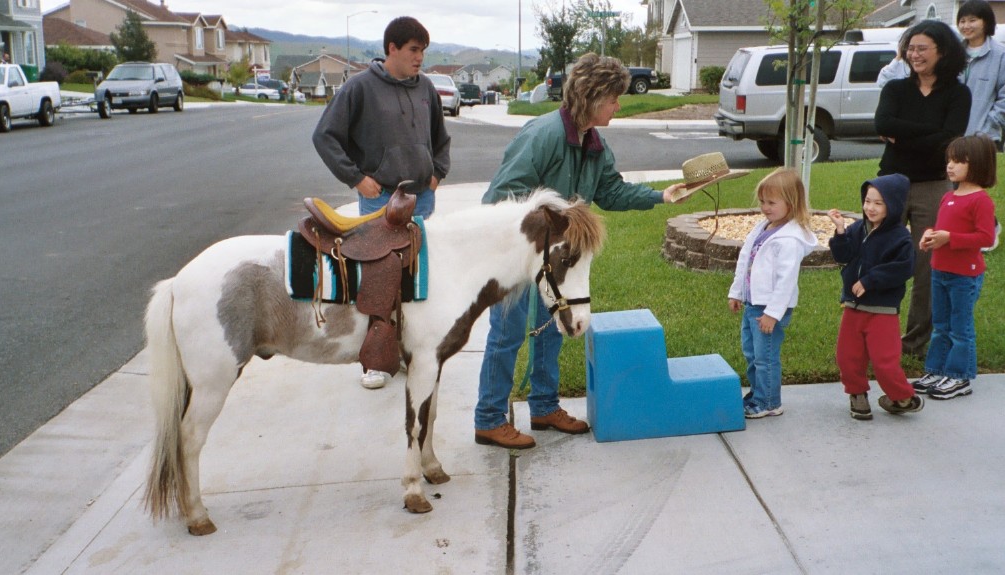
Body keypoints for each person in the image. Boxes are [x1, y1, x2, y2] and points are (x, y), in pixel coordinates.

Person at [474, 52, 688, 449]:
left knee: (552, 330)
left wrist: (661, 195)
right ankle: (488, 419)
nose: (618, 106)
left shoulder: (595, 144)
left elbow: (611, 191)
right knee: (506, 336)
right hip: (515, 256)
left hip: (556, 261)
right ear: (592, 97)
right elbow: (501, 196)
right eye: (613, 98)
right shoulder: (543, 135)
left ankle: (543, 406)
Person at [312, 16, 451, 389]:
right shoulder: (360, 88)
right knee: (380, 280)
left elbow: (441, 138)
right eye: (413, 50)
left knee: (415, 281)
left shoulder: (426, 89)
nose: (420, 58)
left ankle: (407, 351)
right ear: (391, 49)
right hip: (380, 200)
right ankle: (375, 360)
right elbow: (325, 136)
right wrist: (356, 178)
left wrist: (437, 173)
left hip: (420, 199)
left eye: (423, 51)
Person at [874, 20, 971, 359]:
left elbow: (950, 139)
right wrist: (931, 134)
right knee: (880, 260)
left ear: (942, 52)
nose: (914, 55)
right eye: (910, 48)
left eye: (922, 48)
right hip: (890, 185)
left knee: (927, 267)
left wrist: (905, 136)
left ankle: (913, 343)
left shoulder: (958, 93)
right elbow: (883, 124)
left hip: (934, 186)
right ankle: (877, 337)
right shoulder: (895, 90)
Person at [828, 174, 922, 420]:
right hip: (853, 306)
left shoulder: (900, 237)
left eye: (878, 203)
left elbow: (903, 268)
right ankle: (857, 394)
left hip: (883, 310)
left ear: (893, 205)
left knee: (885, 361)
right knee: (847, 357)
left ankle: (902, 397)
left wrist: (870, 280)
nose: (870, 207)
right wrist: (840, 232)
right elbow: (843, 255)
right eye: (867, 201)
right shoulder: (858, 228)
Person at [727, 168, 817, 419]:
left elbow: (786, 281)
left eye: (772, 202)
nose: (765, 207)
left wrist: (773, 314)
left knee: (765, 356)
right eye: (763, 201)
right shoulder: (764, 227)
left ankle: (768, 402)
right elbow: (745, 260)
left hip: (768, 309)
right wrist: (737, 292)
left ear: (791, 203)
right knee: (752, 353)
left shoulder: (790, 240)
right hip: (753, 303)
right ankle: (758, 394)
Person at [912, 135, 998, 399]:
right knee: (940, 324)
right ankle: (937, 370)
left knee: (960, 328)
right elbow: (941, 229)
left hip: (965, 275)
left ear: (979, 164)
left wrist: (950, 239)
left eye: (959, 161)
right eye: (949, 159)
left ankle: (960, 377)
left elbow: (986, 238)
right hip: (940, 269)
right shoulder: (948, 196)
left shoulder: (980, 200)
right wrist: (930, 235)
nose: (950, 165)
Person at [957, 0, 1004, 251]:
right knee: (956, 185)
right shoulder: (954, 52)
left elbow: (1004, 97)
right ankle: (974, 228)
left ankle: (989, 228)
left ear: (986, 22)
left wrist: (989, 126)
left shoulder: (1000, 55)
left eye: (973, 20)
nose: (967, 25)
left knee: (973, 186)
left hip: (982, 134)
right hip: (953, 134)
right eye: (963, 20)